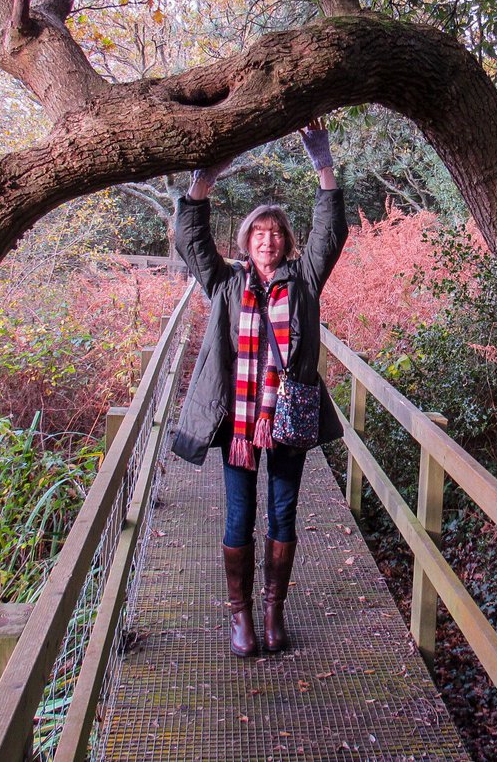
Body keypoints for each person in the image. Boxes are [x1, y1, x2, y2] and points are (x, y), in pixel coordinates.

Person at [171, 120, 348, 657]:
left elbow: (330, 233)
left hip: (288, 416)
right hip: (239, 423)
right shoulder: (226, 282)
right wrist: (203, 180)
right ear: (246, 242)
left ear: (285, 241)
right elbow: (188, 239)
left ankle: (275, 613)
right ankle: (240, 617)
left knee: (283, 511)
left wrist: (323, 165)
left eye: (275, 232)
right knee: (239, 515)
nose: (267, 239)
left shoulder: (304, 280)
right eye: (258, 233)